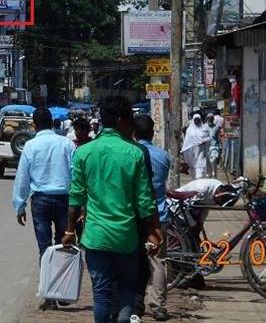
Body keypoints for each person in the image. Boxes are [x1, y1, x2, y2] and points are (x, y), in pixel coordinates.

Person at [62, 96, 161, 323]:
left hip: (95, 236)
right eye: (129, 119)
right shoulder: (134, 153)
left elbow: (76, 197)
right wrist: (153, 231)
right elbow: (145, 200)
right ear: (121, 121)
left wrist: (69, 230)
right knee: (127, 289)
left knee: (101, 293)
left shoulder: (84, 152)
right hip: (126, 237)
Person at [13, 107, 75, 262]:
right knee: (64, 245)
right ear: (52, 123)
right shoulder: (67, 144)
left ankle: (47, 276)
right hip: (64, 200)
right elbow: (75, 174)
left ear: (34, 125)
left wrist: (20, 206)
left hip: (40, 201)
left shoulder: (30, 146)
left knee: (44, 248)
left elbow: (22, 178)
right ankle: (62, 276)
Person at [134, 115, 172, 322]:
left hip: (136, 216)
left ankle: (135, 303)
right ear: (152, 132)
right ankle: (158, 306)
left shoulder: (131, 154)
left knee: (133, 261)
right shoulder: (163, 156)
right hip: (159, 215)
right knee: (158, 262)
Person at [181, 114, 211, 179]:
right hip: (192, 152)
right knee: (193, 168)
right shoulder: (189, 130)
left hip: (201, 151)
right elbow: (187, 142)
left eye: (198, 119)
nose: (197, 121)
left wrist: (204, 141)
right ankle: (195, 180)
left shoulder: (204, 128)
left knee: (201, 166)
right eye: (195, 119)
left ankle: (199, 178)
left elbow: (209, 138)